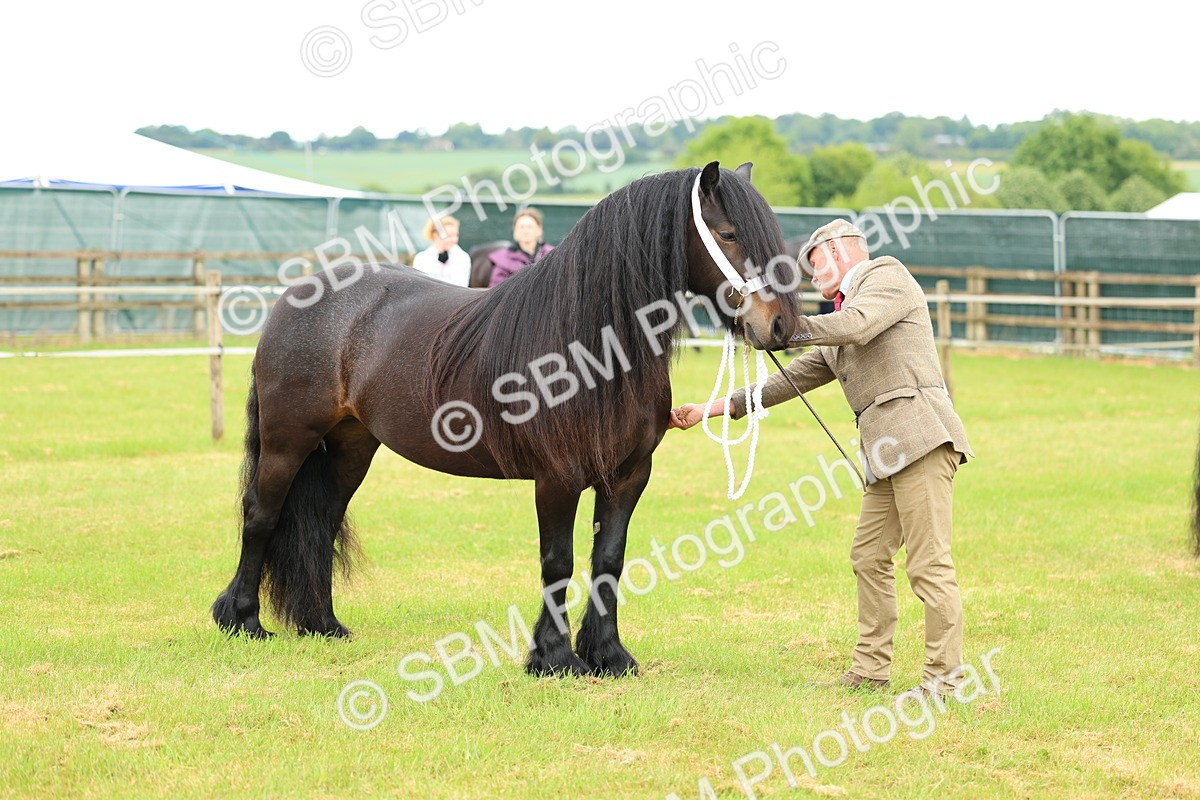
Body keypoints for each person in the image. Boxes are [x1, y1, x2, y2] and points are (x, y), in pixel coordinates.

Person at [669, 219, 973, 698]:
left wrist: (785, 327)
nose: (811, 280)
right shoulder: (841, 316)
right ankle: (870, 670)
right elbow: (791, 379)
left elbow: (858, 326)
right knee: (868, 556)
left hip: (921, 439)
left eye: (814, 267)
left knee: (928, 565)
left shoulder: (885, 277)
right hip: (885, 454)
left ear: (837, 249)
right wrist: (711, 409)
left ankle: (944, 682)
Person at [486, 207, 554, 288]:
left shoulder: (551, 255)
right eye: (521, 227)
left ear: (539, 229)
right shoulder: (503, 258)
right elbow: (496, 288)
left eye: (530, 227)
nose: (525, 231)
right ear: (515, 230)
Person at [412, 215, 471, 287]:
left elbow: (462, 286)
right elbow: (419, 285)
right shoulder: (421, 258)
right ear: (435, 235)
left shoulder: (463, 258)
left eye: (456, 235)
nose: (454, 239)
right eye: (449, 235)